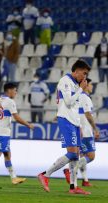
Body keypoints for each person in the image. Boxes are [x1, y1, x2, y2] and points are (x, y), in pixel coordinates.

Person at [38, 60, 91, 195]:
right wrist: (81, 89)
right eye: (84, 73)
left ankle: (73, 187)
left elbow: (73, 105)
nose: (84, 77)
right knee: (72, 153)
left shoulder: (74, 83)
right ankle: (45, 174)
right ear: (77, 70)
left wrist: (79, 124)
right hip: (66, 120)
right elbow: (68, 102)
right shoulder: (65, 80)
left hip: (74, 121)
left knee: (76, 156)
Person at [0, 83, 34, 185]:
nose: (16, 92)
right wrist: (28, 125)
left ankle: (14, 178)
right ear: (9, 90)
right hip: (3, 133)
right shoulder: (10, 102)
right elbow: (16, 118)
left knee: (7, 155)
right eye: (15, 90)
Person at [63, 78, 100, 187]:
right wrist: (95, 128)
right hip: (86, 131)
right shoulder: (85, 97)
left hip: (79, 129)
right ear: (86, 85)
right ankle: (68, 170)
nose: (92, 87)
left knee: (82, 155)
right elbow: (88, 115)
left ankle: (85, 180)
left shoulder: (78, 96)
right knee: (91, 156)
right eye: (91, 84)